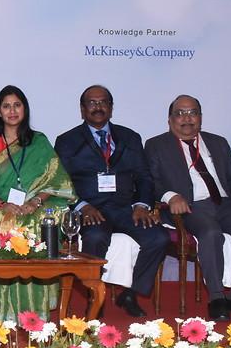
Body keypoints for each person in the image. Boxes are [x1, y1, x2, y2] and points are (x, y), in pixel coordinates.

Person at [145, 94, 231, 321]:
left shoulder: (218, 142)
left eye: (192, 113)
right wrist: (171, 196)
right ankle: (217, 298)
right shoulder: (156, 145)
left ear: (200, 117)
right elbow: (150, 181)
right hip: (190, 206)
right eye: (180, 113)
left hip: (226, 204)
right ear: (170, 119)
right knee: (211, 233)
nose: (187, 118)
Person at [54, 85, 167, 318]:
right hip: (90, 208)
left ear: (111, 107)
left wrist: (141, 205)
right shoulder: (67, 140)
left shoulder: (130, 137)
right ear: (82, 109)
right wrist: (81, 206)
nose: (98, 107)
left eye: (103, 102)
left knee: (158, 238)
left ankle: (131, 293)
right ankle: (95, 297)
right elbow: (60, 182)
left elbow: (144, 177)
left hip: (126, 208)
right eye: (92, 103)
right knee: (95, 238)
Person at [0, 85, 74, 320]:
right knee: (7, 222)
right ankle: (8, 308)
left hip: (34, 204)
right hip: (0, 204)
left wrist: (36, 201)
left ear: (25, 109)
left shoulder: (39, 142)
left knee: (43, 219)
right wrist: (1, 204)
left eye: (17, 105)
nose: (12, 111)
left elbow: (55, 180)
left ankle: (38, 307)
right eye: (6, 106)